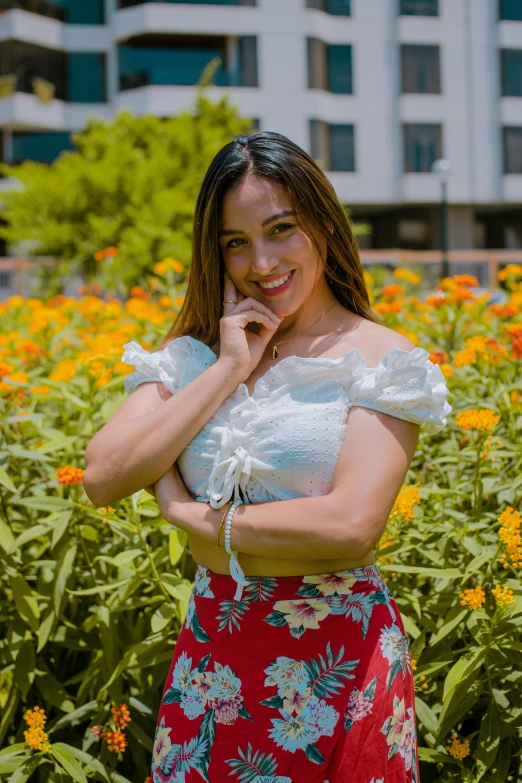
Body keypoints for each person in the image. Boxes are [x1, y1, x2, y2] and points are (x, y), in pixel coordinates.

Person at [84, 131, 452, 783]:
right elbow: (105, 476)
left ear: (324, 225)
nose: (262, 262)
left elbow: (349, 527)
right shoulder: (195, 357)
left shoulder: (380, 359)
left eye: (281, 229)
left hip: (339, 659)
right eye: (236, 242)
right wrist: (227, 368)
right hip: (214, 663)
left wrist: (198, 519)